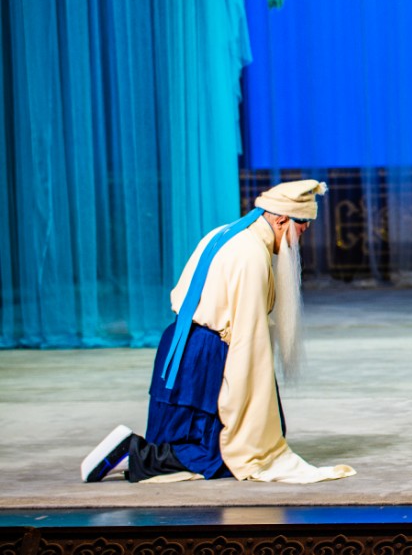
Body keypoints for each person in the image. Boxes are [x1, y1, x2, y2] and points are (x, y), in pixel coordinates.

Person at [82, 180, 355, 484]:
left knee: (189, 438)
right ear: (281, 220)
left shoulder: (225, 234)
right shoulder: (251, 255)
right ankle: (133, 452)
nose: (299, 239)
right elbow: (248, 338)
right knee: (224, 453)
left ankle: (138, 454)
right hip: (205, 357)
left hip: (181, 345)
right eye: (300, 230)